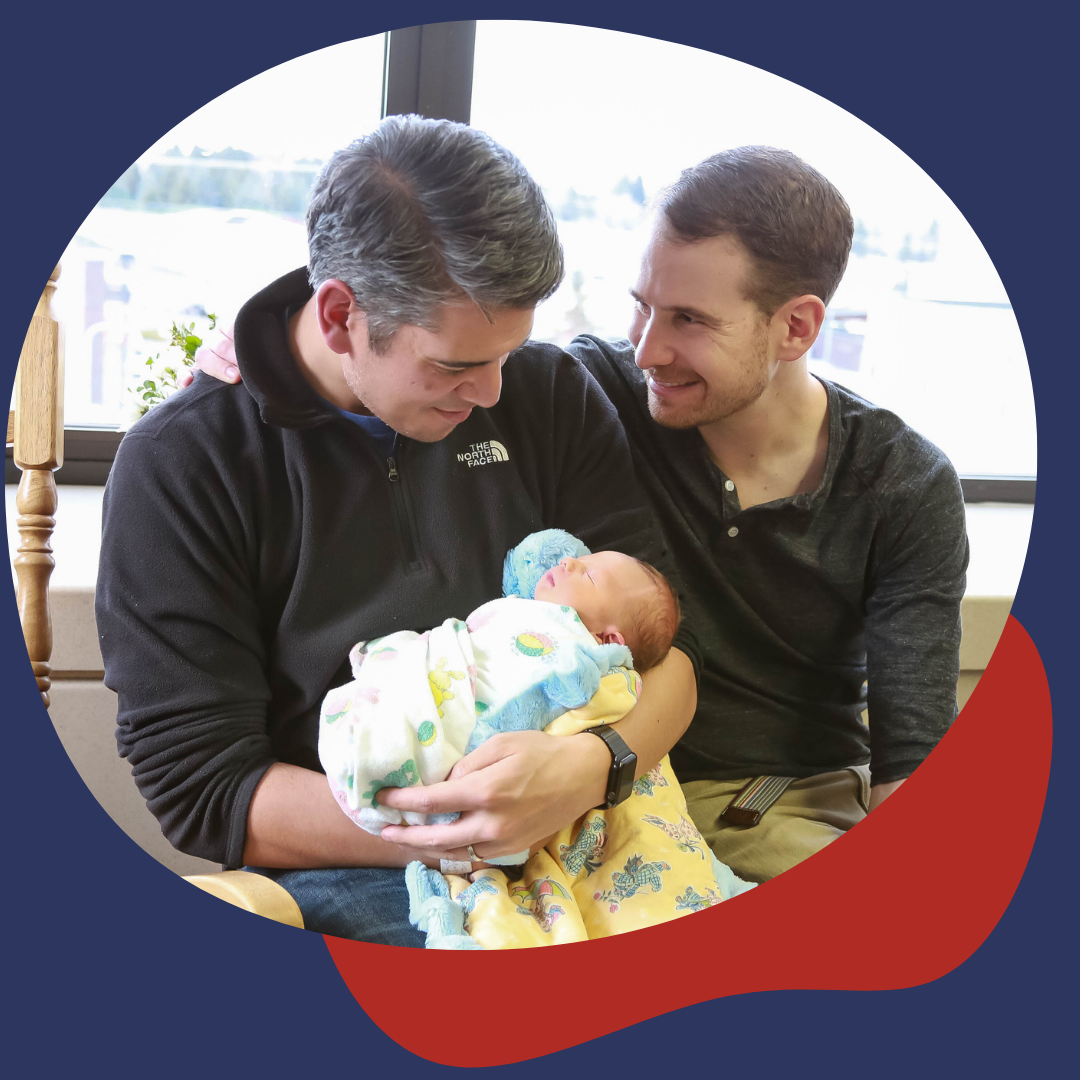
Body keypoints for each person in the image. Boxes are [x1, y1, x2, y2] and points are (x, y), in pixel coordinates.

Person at [194, 143, 968, 886]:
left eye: (690, 320)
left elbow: (913, 765)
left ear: (796, 327)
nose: (647, 350)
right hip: (608, 808)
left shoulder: (902, 485)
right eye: (642, 306)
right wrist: (273, 350)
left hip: (779, 802)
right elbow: (414, 280)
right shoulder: (597, 391)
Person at [95, 116, 699, 947]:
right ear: (341, 315)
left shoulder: (550, 395)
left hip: (595, 829)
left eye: (507, 352)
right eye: (455, 365)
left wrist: (593, 771)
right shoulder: (182, 465)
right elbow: (205, 789)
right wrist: (465, 829)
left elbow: (671, 655)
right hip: (362, 873)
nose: (492, 393)